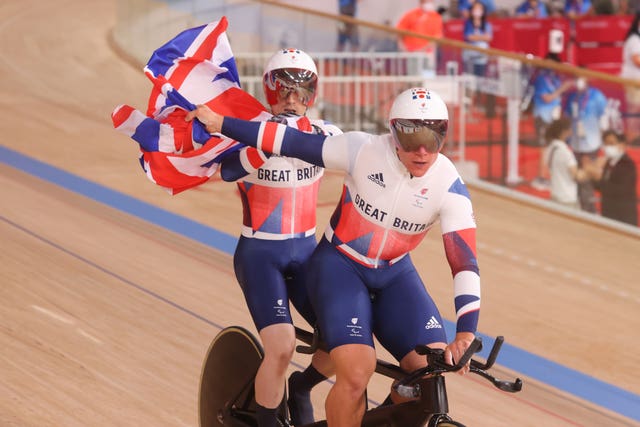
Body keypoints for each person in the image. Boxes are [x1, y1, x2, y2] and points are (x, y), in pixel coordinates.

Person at [187, 87, 481, 427]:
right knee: (357, 373)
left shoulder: (450, 185)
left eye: (432, 138)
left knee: (428, 374)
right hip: (340, 267)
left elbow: (464, 262)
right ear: (392, 130)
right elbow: (289, 141)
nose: (421, 149)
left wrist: (465, 333)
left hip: (395, 275)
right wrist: (221, 122)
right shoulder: (362, 150)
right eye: (410, 136)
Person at [219, 48, 340, 427]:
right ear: (269, 92)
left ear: (313, 95)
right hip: (259, 256)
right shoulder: (248, 135)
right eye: (283, 90)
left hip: (306, 253)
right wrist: (261, 149)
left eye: (301, 92)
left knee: (346, 339)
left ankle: (301, 387)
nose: (292, 99)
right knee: (282, 346)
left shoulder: (326, 134)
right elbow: (226, 171)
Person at [529, 50, 574, 190]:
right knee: (544, 149)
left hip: (553, 117)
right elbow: (547, 98)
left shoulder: (555, 78)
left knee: (551, 148)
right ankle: (541, 178)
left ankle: (547, 177)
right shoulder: (542, 78)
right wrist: (562, 89)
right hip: (543, 117)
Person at [563, 75, 608, 212]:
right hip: (576, 143)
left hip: (591, 143)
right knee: (576, 176)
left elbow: (603, 118)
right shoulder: (572, 97)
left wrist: (603, 141)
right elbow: (567, 116)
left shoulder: (597, 96)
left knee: (588, 177)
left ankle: (590, 208)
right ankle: (578, 205)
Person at [587, 130, 638, 225]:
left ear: (621, 145)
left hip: (623, 216)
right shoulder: (608, 163)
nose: (608, 147)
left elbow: (621, 190)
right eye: (606, 144)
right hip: (609, 213)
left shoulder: (627, 165)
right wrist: (593, 175)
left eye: (611, 143)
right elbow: (601, 187)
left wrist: (599, 179)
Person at [544, 116, 589, 208]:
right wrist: (588, 170)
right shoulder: (566, 153)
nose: (572, 132)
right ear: (564, 132)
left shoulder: (549, 149)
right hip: (567, 199)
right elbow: (576, 176)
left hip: (555, 194)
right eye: (570, 129)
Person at [396, 0, 444, 72]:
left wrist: (423, 49)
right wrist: (402, 46)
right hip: (412, 53)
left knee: (428, 75)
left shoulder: (436, 17)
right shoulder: (410, 15)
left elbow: (437, 37)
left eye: (431, 2)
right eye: (427, 2)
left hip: (428, 53)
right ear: (421, 2)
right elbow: (399, 31)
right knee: (413, 77)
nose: (429, 4)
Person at [620, 12, 640, 145]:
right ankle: (631, 138)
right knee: (634, 109)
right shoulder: (634, 40)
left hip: (637, 82)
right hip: (632, 81)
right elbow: (636, 60)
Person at [462, 1, 493, 78]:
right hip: (470, 56)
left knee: (480, 78)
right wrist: (482, 37)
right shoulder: (468, 23)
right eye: (475, 9)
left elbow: (489, 37)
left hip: (481, 57)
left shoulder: (486, 24)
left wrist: (476, 37)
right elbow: (469, 37)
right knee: (470, 77)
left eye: (479, 9)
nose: (477, 11)